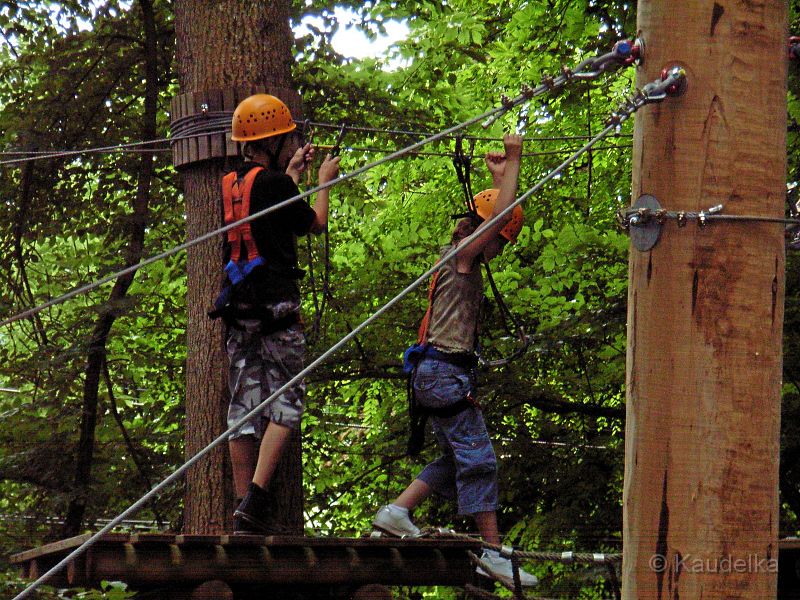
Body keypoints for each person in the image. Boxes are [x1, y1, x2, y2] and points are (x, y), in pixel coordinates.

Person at [372, 134, 537, 587]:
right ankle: (492, 553)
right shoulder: (462, 257)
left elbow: (497, 215)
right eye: (500, 241)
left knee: (454, 456)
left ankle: (397, 510)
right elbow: (498, 217)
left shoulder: (459, 259)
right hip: (443, 371)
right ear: (487, 236)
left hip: (438, 373)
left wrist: (499, 177)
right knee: (479, 458)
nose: (499, 251)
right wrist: (516, 159)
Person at [213, 93, 340, 534]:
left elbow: (267, 215)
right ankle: (257, 500)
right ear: (273, 141)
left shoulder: (232, 183)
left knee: (243, 407)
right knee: (285, 403)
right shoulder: (277, 187)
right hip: (277, 311)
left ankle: (238, 506)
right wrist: (323, 182)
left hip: (238, 311)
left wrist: (291, 176)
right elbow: (315, 223)